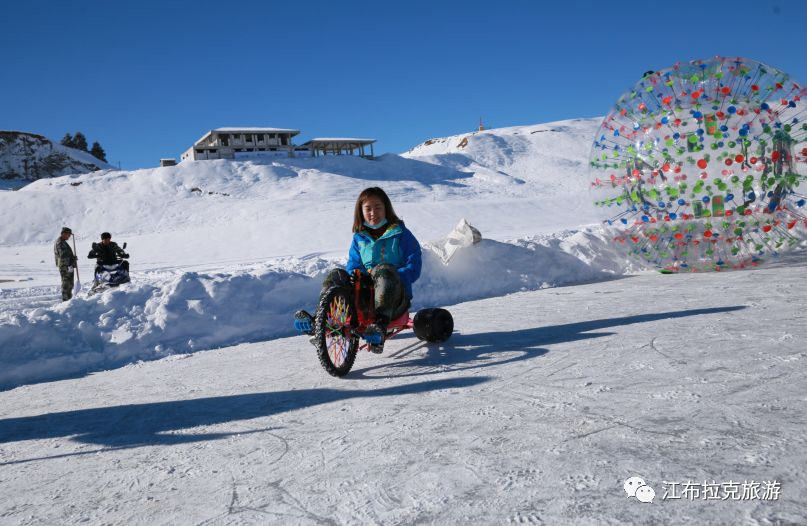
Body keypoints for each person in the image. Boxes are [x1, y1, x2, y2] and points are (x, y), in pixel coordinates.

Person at [296, 187, 422, 353]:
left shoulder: (401, 234)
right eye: (368, 209)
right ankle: (321, 322)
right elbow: (353, 265)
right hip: (365, 300)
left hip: (395, 298)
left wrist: (394, 277)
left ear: (386, 209)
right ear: (361, 212)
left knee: (383, 270)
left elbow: (414, 266)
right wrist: (358, 278)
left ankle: (379, 326)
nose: (373, 213)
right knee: (337, 275)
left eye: (378, 207)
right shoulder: (359, 238)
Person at [53, 226, 77, 301]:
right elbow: (63, 256)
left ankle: (68, 300)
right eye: (68, 234)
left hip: (67, 266)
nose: (69, 236)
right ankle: (66, 300)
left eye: (70, 235)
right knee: (66, 285)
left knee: (69, 284)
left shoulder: (62, 242)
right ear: (64, 234)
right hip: (65, 266)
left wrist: (73, 258)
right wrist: (70, 264)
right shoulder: (60, 242)